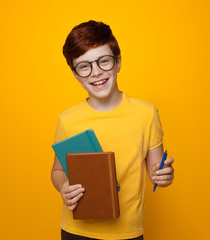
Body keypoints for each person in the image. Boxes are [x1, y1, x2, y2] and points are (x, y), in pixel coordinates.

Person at [51, 20, 174, 240]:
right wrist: (64, 187)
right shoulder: (67, 120)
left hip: (127, 232)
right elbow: (58, 171)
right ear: (75, 74)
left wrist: (163, 175)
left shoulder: (146, 113)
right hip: (76, 231)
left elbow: (156, 170)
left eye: (104, 61)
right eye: (84, 66)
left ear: (118, 62)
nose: (96, 72)